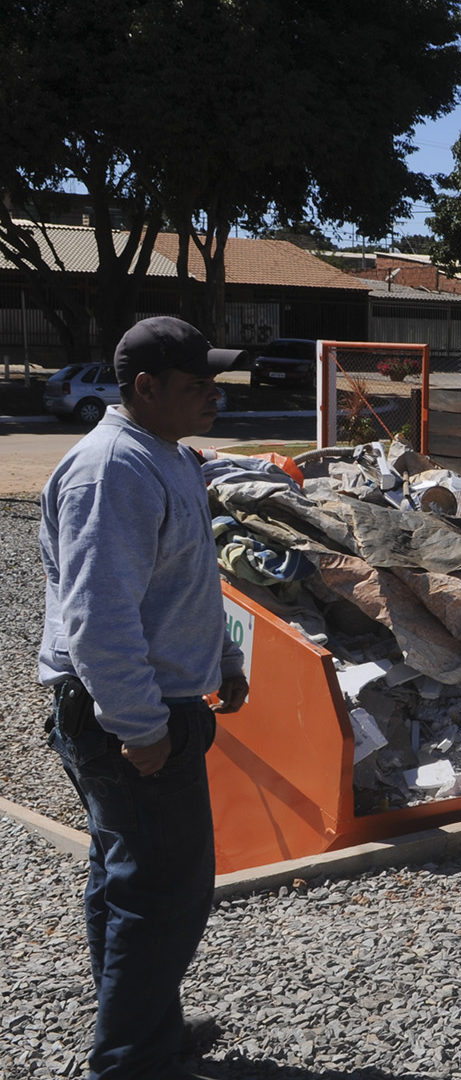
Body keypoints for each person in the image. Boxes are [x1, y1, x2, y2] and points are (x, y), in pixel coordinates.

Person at [40, 316, 251, 1079]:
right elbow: (99, 618)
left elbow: (185, 581)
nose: (214, 399)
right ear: (145, 388)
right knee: (164, 892)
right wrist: (140, 727)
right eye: (197, 386)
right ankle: (131, 1062)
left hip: (155, 701)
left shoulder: (165, 456)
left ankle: (148, 1028)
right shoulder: (113, 472)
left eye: (214, 384)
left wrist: (222, 654)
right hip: (130, 715)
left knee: (128, 877)